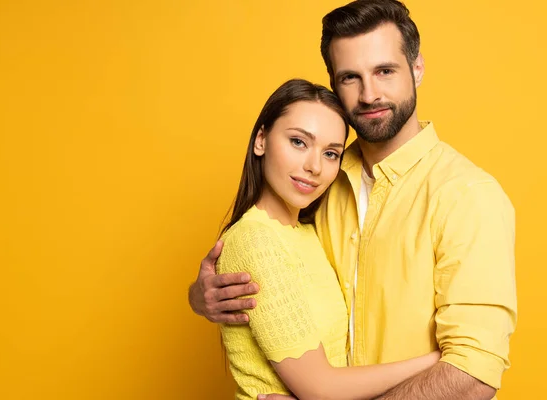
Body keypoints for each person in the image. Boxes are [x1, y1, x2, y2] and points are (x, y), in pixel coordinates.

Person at [190, 1, 517, 399]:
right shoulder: (319, 181)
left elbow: (473, 376)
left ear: (417, 69)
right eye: (350, 77)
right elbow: (267, 262)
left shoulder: (467, 196)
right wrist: (205, 297)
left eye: (384, 71)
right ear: (334, 84)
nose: (369, 94)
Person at [215, 78, 440, 400]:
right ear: (261, 139)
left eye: (331, 153)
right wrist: (440, 360)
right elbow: (321, 388)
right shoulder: (255, 240)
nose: (314, 167)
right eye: (298, 142)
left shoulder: (310, 233)